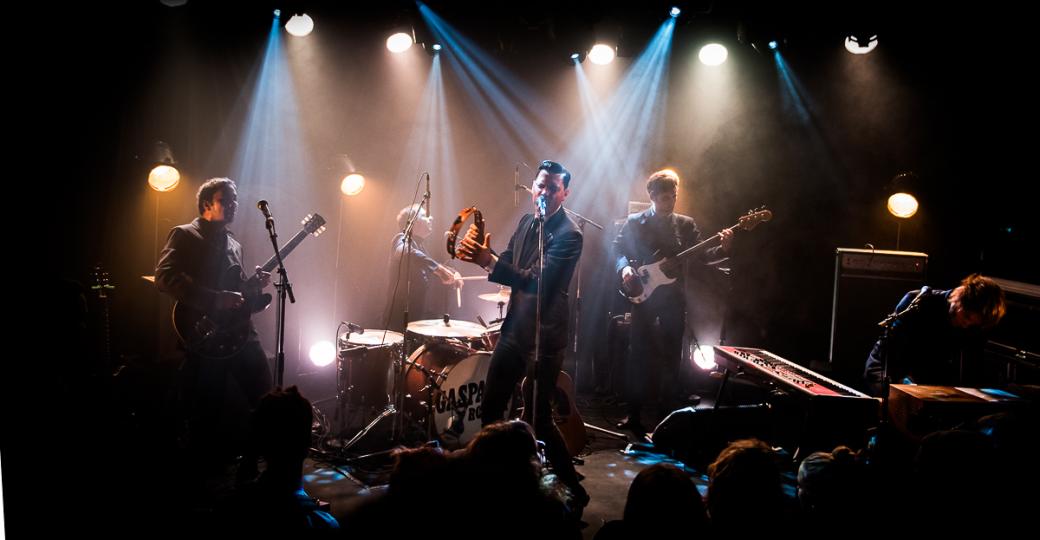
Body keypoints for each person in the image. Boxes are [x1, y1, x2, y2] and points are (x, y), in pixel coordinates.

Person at [457, 159, 589, 508]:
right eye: (540, 185)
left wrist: (489, 262)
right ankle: (496, 481)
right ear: (533, 187)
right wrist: (484, 257)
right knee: (491, 408)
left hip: (544, 338)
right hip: (516, 329)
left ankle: (574, 489)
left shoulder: (570, 235)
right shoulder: (527, 222)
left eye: (552, 188)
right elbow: (512, 264)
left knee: (539, 418)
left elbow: (537, 282)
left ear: (565, 193)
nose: (543, 192)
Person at [155, 177, 273, 462]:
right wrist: (214, 298)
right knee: (206, 410)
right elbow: (164, 277)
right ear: (207, 204)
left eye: (234, 201)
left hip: (241, 335)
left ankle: (253, 465)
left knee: (264, 396)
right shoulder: (185, 235)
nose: (232, 206)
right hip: (204, 333)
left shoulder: (234, 244)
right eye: (225, 201)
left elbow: (238, 294)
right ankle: (199, 479)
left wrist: (255, 286)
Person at [614, 169, 732, 434]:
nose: (672, 201)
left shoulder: (685, 224)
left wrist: (723, 249)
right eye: (666, 197)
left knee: (671, 356)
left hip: (673, 297)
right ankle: (632, 414)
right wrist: (624, 269)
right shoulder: (635, 221)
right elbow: (618, 248)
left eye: (674, 196)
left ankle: (667, 417)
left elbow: (703, 255)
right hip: (643, 292)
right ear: (653, 196)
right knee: (638, 354)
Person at [863, 273, 1006, 396]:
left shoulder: (971, 328)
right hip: (886, 372)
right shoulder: (920, 303)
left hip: (923, 383)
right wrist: (908, 386)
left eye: (973, 323)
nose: (967, 324)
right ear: (959, 300)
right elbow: (893, 355)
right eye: (967, 316)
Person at [384, 202, 463, 332]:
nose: (431, 218)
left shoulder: (419, 246)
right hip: (398, 320)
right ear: (412, 222)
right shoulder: (401, 239)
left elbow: (429, 261)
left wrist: (454, 273)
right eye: (425, 216)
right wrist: (438, 269)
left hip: (415, 318)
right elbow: (404, 251)